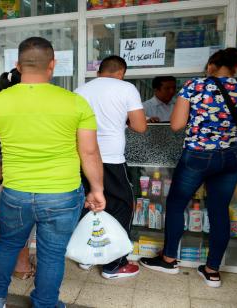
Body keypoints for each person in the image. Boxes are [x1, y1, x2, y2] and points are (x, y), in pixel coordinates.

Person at [0, 36, 106, 308]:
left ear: (18, 65)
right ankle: (45, 303)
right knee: (52, 254)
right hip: (62, 192)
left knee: (8, 245)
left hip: (16, 191)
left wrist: (2, 177)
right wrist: (97, 189)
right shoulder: (75, 102)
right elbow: (89, 153)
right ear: (53, 65)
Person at [140, 48, 237, 287]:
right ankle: (212, 271)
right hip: (232, 157)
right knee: (219, 209)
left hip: (198, 154)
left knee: (177, 204)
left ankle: (168, 260)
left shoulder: (195, 86)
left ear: (210, 66)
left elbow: (177, 125)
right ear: (236, 67)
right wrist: (230, 126)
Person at [74, 55, 147, 279]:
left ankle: (86, 256)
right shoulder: (126, 88)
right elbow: (140, 126)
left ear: (99, 71)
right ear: (121, 72)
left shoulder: (79, 90)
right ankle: (114, 265)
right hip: (112, 159)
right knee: (121, 206)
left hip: (82, 158)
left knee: (88, 205)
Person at [0, 68, 35, 280]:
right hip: (20, 176)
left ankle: (0, 289)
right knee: (23, 225)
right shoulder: (25, 109)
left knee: (9, 230)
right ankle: (22, 265)